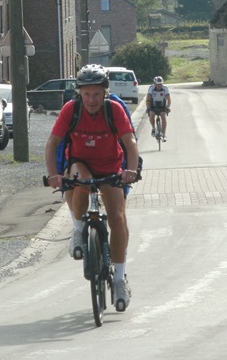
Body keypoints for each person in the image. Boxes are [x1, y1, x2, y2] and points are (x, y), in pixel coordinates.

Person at [45, 64, 139, 312]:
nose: (91, 99)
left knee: (118, 218)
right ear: (79, 94)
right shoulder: (71, 110)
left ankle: (119, 280)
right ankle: (78, 230)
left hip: (111, 167)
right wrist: (53, 174)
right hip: (81, 163)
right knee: (80, 182)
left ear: (105, 92)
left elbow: (130, 143)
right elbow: (52, 143)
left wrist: (130, 171)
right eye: (86, 94)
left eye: (96, 93)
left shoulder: (114, 110)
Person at [146, 76, 171, 141]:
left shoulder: (165, 88)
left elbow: (169, 99)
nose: (160, 85)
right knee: (151, 115)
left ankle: (164, 134)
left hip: (162, 106)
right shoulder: (151, 88)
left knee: (163, 116)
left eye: (161, 84)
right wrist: (148, 108)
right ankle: (153, 128)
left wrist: (168, 107)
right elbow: (148, 99)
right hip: (153, 105)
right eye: (158, 84)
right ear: (155, 84)